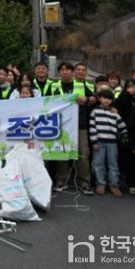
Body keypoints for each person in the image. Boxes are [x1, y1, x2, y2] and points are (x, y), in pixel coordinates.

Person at [51, 62, 95, 195]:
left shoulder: (81, 85)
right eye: (62, 70)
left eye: (68, 70)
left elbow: (94, 98)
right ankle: (61, 181)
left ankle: (85, 183)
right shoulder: (54, 86)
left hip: (80, 124)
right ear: (59, 72)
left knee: (83, 154)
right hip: (61, 124)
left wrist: (86, 99)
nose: (65, 72)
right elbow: (44, 102)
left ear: (72, 71)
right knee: (62, 153)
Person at [89, 89, 127, 197]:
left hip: (112, 142)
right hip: (99, 142)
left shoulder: (114, 113)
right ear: (99, 98)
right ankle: (100, 183)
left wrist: (124, 135)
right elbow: (92, 127)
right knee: (98, 163)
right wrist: (94, 141)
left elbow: (122, 126)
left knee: (113, 164)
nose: (106, 100)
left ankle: (113, 185)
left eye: (109, 99)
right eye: (104, 98)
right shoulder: (94, 112)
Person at [115, 78, 135, 194]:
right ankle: (131, 183)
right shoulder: (123, 98)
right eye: (128, 86)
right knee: (130, 159)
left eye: (133, 86)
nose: (131, 89)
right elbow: (115, 107)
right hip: (127, 131)